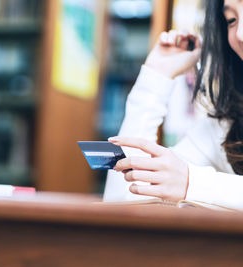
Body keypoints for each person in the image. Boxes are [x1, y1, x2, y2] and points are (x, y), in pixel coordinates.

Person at [103, 0, 243, 209]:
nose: (240, 34)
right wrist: (155, 77)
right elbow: (123, 205)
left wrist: (193, 183)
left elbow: (188, 182)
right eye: (231, 20)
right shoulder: (226, 126)